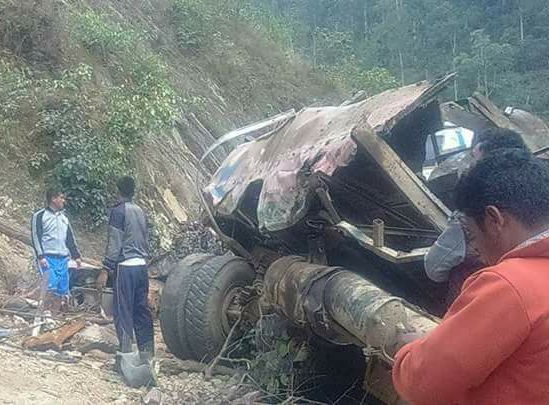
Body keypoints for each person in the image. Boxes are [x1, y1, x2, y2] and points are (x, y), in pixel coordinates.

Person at [393, 150, 549, 404]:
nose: (474, 248)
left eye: (471, 234)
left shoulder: (509, 285)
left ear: (494, 219)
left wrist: (410, 351)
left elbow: (423, 383)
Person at [424, 128, 529, 304]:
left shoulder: (472, 215)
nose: (469, 166)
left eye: (475, 160)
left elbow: (434, 267)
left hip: (483, 304)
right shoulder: (536, 194)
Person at [102, 176, 154, 363]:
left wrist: (107, 266)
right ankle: (147, 352)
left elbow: (115, 243)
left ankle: (125, 353)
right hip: (141, 266)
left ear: (118, 190)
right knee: (141, 310)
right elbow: (145, 238)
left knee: (123, 310)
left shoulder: (118, 211)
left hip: (125, 267)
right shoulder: (140, 211)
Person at [31, 188, 81, 312]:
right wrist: (40, 256)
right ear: (53, 199)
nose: (63, 201)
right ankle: (44, 314)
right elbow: (35, 236)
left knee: (62, 289)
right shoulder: (40, 216)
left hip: (63, 259)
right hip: (48, 258)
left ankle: (55, 316)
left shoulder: (64, 218)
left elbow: (70, 238)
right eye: (61, 198)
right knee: (50, 286)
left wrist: (77, 256)